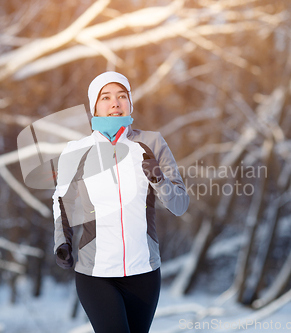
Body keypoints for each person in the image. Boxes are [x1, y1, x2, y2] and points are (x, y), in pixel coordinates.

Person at [53, 71, 189, 333]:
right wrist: (62, 242)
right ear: (95, 105)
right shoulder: (75, 151)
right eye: (106, 97)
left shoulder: (151, 143)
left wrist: (159, 179)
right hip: (96, 275)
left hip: (145, 274)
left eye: (121, 96)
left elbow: (180, 204)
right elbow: (61, 203)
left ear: (130, 103)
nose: (115, 102)